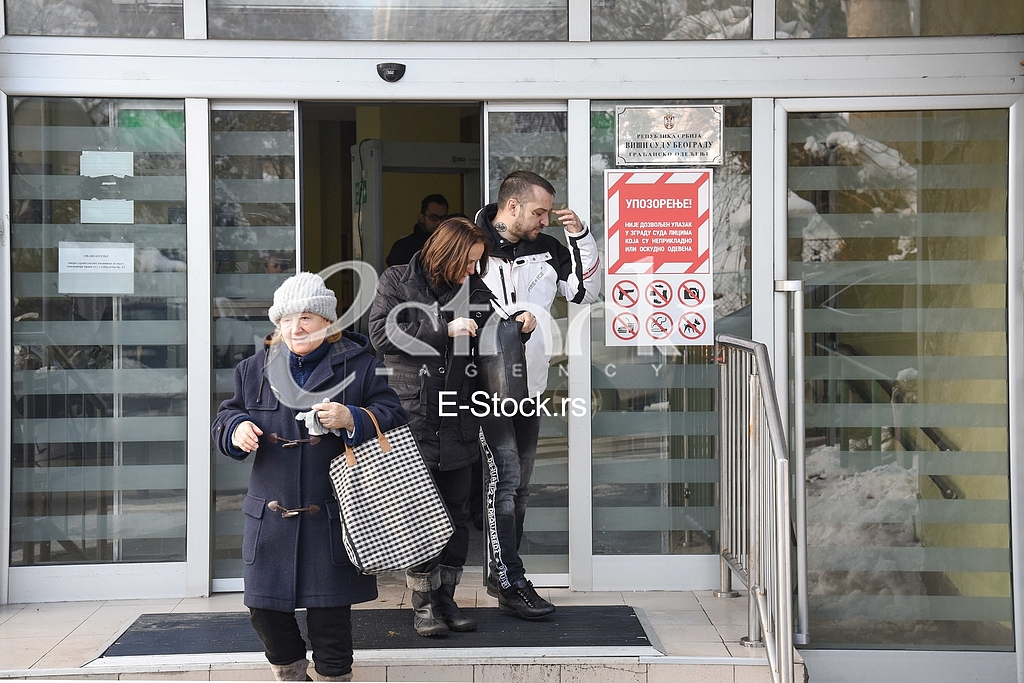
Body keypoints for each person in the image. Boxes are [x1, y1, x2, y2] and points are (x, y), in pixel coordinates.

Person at [212, 272, 406, 682]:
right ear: (277, 325)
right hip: (270, 519)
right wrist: (235, 428)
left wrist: (352, 417)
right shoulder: (253, 369)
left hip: (331, 515)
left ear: (328, 323)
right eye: (287, 320)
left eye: (307, 318)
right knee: (264, 611)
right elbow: (227, 414)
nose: (296, 327)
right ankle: (292, 672)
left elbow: (394, 414)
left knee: (330, 621)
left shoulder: (363, 366)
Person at [369, 217, 536, 637]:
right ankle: (424, 606)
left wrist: (521, 325)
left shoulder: (475, 291)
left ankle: (447, 600)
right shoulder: (396, 280)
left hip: (460, 414)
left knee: (459, 515)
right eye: (468, 262)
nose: (473, 272)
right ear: (448, 253)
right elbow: (381, 335)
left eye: (478, 264)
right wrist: (444, 328)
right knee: (424, 517)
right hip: (413, 415)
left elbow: (494, 339)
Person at [474, 170, 601, 619]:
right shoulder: (473, 246)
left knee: (520, 487)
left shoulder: (548, 248)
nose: (546, 219)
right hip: (483, 386)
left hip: (530, 384)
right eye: (540, 211)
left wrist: (580, 236)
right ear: (512, 207)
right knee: (504, 480)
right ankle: (509, 578)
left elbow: (586, 291)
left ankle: (500, 572)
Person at [385, 194, 449, 267]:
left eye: (443, 218)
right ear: (422, 217)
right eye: (433, 217)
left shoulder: (451, 244)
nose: (439, 222)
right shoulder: (402, 247)